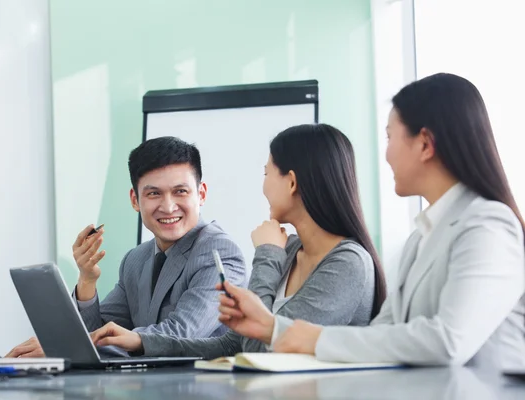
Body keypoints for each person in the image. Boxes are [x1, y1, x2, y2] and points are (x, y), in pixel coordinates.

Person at [220, 73, 525, 369]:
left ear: (425, 144)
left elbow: (448, 342)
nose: (387, 154)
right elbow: (381, 333)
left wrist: (310, 338)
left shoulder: (489, 226)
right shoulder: (421, 237)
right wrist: (273, 328)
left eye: (390, 137)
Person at [85, 123, 387, 358]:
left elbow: (259, 346)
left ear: (291, 182)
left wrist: (267, 254)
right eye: (154, 193)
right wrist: (142, 342)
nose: (263, 184)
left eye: (267, 172)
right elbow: (232, 344)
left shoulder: (347, 263)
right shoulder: (290, 249)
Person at [7, 136, 247, 358]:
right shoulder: (136, 259)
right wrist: (87, 281)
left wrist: (59, 346)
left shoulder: (219, 251)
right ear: (135, 200)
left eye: (180, 191)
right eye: (154, 194)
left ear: (201, 194)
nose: (168, 206)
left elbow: (181, 333)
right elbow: (99, 333)